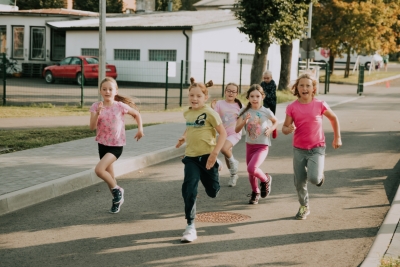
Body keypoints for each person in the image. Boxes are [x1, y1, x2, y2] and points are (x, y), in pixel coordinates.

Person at [282, 73, 342, 220]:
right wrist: (287, 129)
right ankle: (304, 206)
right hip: (299, 150)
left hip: (317, 148)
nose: (304, 88)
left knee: (314, 178)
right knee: (299, 182)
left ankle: (319, 178)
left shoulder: (320, 104)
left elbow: (334, 118)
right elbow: (284, 127)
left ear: (313, 88)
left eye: (308, 85)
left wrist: (337, 137)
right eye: (301, 85)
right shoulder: (292, 107)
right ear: (296, 88)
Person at [176, 77, 227, 243]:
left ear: (205, 98)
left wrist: (214, 155)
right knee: (189, 187)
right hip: (191, 157)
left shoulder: (211, 113)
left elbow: (223, 134)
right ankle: (190, 226)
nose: (194, 99)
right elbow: (190, 125)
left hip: (208, 157)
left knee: (212, 192)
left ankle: (217, 166)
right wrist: (183, 137)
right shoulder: (187, 112)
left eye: (198, 96)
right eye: (191, 95)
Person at [90, 77, 144, 214]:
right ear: (100, 91)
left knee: (99, 170)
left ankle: (119, 190)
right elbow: (91, 127)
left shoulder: (120, 106)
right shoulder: (96, 106)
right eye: (104, 89)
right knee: (110, 178)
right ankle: (116, 200)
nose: (107, 91)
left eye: (110, 89)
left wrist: (140, 129)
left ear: (115, 91)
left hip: (116, 145)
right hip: (102, 144)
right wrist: (97, 114)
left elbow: (137, 114)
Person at [235, 84, 278, 205]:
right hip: (250, 145)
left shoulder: (266, 111)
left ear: (262, 97)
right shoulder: (244, 111)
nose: (255, 98)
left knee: (251, 168)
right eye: (252, 96)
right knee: (251, 172)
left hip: (262, 146)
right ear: (248, 98)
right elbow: (237, 129)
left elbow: (276, 121)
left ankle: (265, 179)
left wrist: (270, 129)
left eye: (257, 96)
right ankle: (255, 192)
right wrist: (244, 121)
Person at [211, 83, 243, 187]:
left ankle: (235, 163)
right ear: (225, 92)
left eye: (233, 91)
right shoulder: (219, 104)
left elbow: (247, 116)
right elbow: (214, 117)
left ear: (237, 94)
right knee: (227, 155)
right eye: (228, 90)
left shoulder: (240, 105)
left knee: (224, 149)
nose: (231, 93)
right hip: (224, 133)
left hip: (235, 133)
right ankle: (233, 175)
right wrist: (212, 108)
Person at [260, 70, 278, 139]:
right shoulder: (262, 84)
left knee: (272, 117)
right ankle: (264, 128)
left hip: (272, 102)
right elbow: (260, 91)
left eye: (268, 78)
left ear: (271, 77)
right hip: (266, 102)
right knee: (263, 114)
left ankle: (274, 129)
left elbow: (272, 93)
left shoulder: (273, 84)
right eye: (265, 78)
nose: (266, 79)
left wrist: (264, 95)